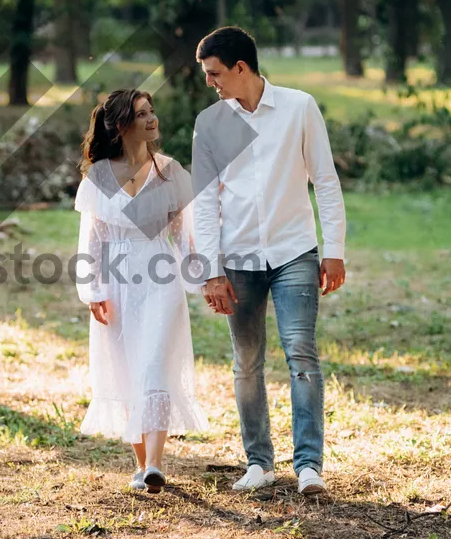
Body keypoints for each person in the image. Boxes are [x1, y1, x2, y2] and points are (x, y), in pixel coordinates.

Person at [191, 26, 347, 496]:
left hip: (293, 251)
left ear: (241, 67)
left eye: (214, 73)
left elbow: (325, 179)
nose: (210, 82)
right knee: (247, 361)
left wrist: (335, 249)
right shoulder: (212, 122)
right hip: (237, 259)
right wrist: (211, 270)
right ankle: (258, 463)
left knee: (300, 350)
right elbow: (204, 202)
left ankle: (309, 467)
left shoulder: (299, 107)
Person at [73, 88, 209, 494]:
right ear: (121, 125)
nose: (153, 120)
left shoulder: (170, 171)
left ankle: (155, 464)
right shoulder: (98, 176)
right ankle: (140, 465)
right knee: (125, 371)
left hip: (160, 280)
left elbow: (185, 238)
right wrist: (93, 288)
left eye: (152, 112)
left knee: (154, 366)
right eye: (142, 114)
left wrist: (204, 279)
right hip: (115, 281)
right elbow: (91, 240)